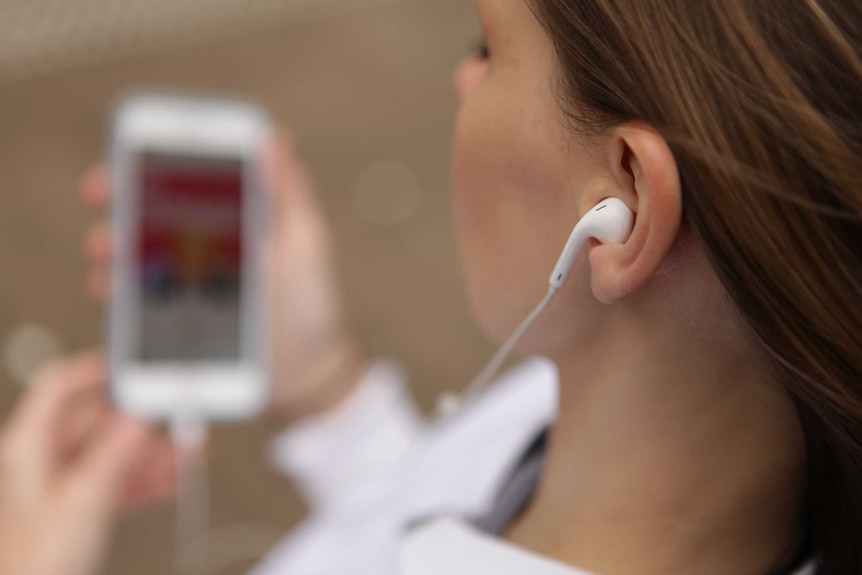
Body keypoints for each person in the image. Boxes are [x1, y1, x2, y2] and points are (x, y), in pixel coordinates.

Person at [2, 0, 860, 573]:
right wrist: (323, 391)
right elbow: (423, 511)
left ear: (623, 206)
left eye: (488, 48)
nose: (461, 79)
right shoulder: (619, 413)